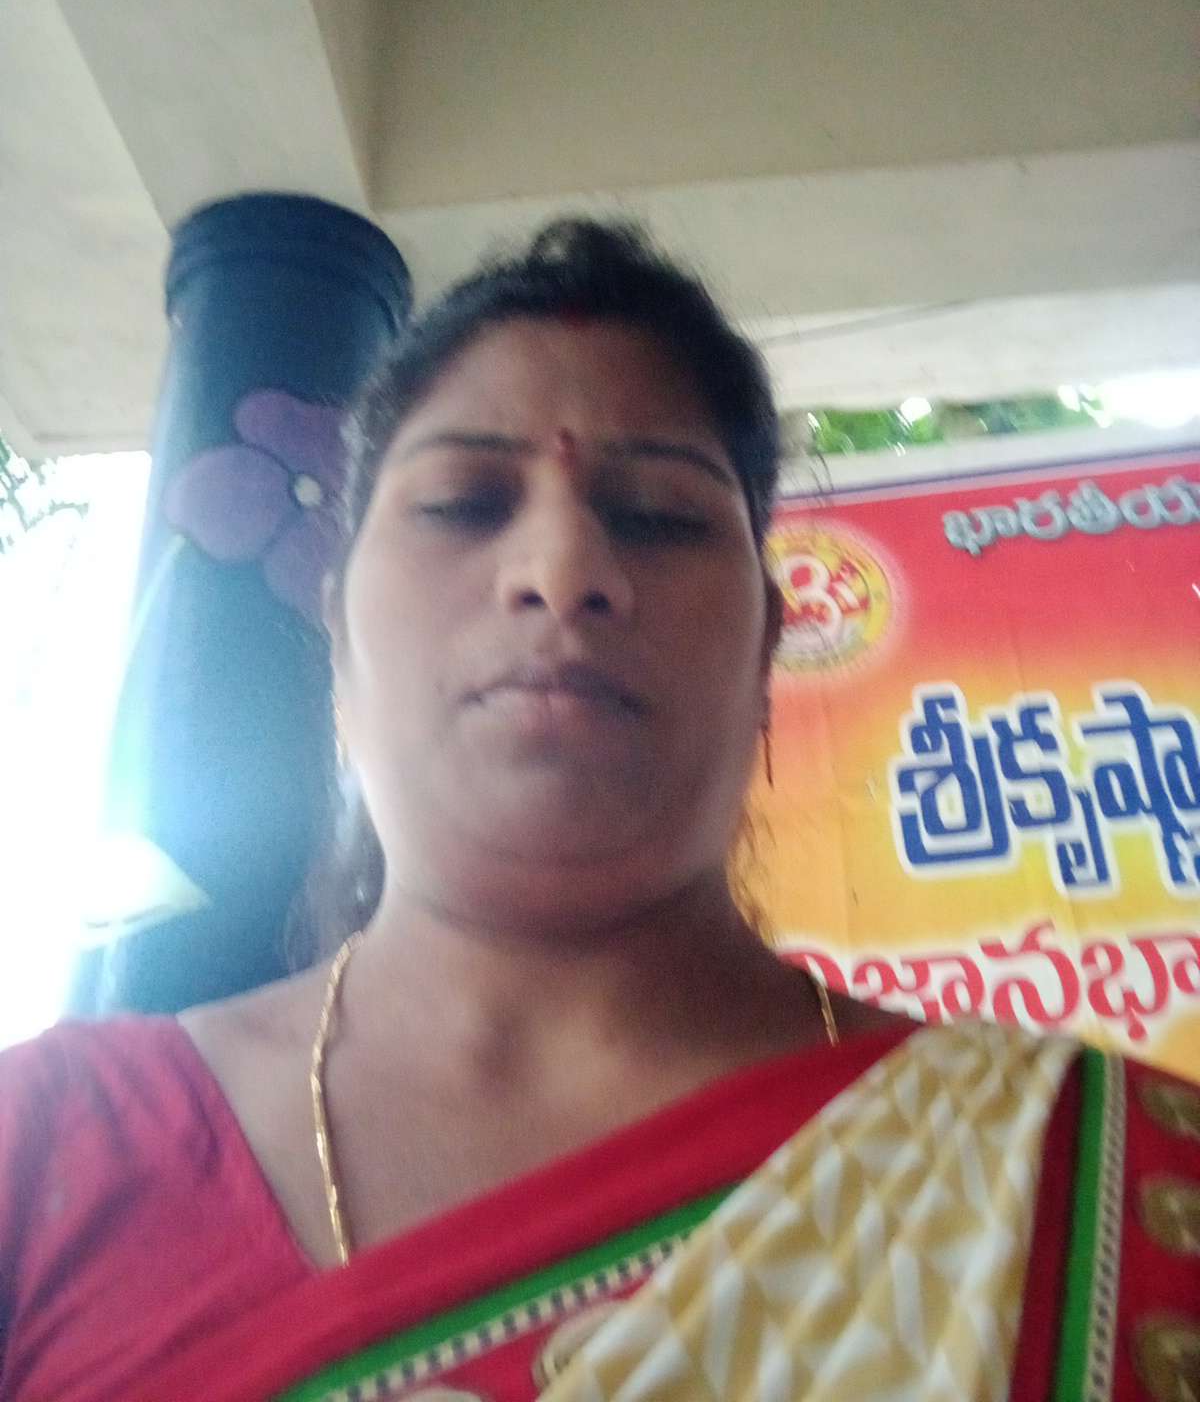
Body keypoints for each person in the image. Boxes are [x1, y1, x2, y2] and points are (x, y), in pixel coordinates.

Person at [1, 221, 1197, 1402]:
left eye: (661, 514)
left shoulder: (1113, 1181)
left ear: (766, 651)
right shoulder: (42, 1149)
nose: (563, 569)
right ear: (340, 642)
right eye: (464, 502)